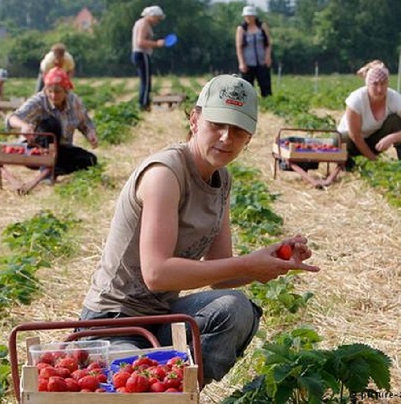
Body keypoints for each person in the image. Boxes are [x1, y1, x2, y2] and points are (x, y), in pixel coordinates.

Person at [80, 75, 320, 388]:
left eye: (237, 129)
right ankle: (167, 388)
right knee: (139, 379)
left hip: (160, 316)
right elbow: (156, 274)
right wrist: (248, 264)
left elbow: (222, 274)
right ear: (195, 119)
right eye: (217, 124)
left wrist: (270, 262)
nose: (225, 137)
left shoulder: (222, 180)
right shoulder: (165, 174)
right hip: (111, 324)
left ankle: (182, 390)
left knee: (235, 309)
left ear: (249, 136)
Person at [6, 67, 98, 194]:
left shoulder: (74, 102)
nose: (53, 95)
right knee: (50, 123)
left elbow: (85, 122)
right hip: (36, 151)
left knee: (90, 160)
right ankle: (46, 172)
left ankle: (53, 170)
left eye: (58, 92)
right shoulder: (39, 100)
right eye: (50, 91)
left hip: (60, 149)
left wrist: (90, 133)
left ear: (66, 90)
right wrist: (23, 126)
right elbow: (11, 118)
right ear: (46, 89)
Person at [337, 60, 401, 170]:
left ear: (388, 83)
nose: (379, 89)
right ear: (367, 84)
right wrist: (374, 161)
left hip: (375, 141)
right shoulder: (356, 99)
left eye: (383, 83)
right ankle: (351, 167)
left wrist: (391, 138)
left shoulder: (394, 97)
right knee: (336, 140)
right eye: (375, 84)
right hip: (352, 143)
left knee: (396, 121)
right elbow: (355, 136)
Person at [132, 5, 166, 111]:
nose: (158, 21)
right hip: (142, 54)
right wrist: (157, 44)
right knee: (146, 82)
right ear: (152, 15)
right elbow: (140, 42)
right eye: (157, 18)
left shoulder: (140, 22)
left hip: (138, 54)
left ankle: (143, 103)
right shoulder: (144, 24)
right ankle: (144, 104)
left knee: (144, 81)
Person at [235, 5, 273, 98]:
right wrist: (241, 63)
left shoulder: (262, 26)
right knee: (246, 88)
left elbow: (268, 43)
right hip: (248, 63)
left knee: (265, 85)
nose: (248, 18)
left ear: (254, 16)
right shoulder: (241, 29)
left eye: (250, 15)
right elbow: (239, 47)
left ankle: (268, 102)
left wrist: (268, 57)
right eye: (247, 16)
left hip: (262, 62)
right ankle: (248, 107)